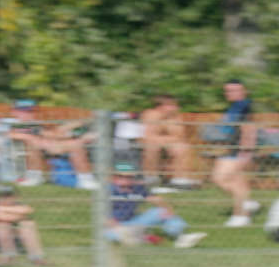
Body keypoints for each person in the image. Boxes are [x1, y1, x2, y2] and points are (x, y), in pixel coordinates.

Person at [105, 163, 205, 247]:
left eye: (129, 176)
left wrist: (168, 210)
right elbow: (103, 213)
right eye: (121, 176)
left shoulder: (137, 188)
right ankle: (141, 238)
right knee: (108, 235)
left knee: (161, 212)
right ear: (114, 177)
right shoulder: (108, 190)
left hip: (135, 222)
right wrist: (115, 225)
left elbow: (155, 199)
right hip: (116, 225)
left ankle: (181, 237)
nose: (125, 179)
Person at [208, 80, 261, 227]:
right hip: (229, 148)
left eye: (234, 90)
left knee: (235, 181)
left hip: (240, 150)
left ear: (243, 91)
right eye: (228, 90)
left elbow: (248, 128)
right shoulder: (233, 106)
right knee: (218, 179)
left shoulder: (243, 106)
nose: (229, 93)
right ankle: (248, 203)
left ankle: (242, 216)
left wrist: (245, 151)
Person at [9, 101, 96, 189]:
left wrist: (72, 127)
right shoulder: (10, 123)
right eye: (24, 111)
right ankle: (34, 176)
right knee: (33, 142)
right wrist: (37, 139)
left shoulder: (35, 124)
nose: (28, 114)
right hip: (35, 149)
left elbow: (53, 134)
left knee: (76, 144)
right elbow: (9, 135)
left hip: (47, 148)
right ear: (14, 112)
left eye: (31, 111)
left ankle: (86, 179)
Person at [138, 93, 197, 187]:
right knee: (151, 147)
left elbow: (180, 136)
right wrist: (168, 137)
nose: (176, 108)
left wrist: (168, 127)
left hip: (168, 143)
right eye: (172, 105)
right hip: (149, 143)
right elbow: (148, 136)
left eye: (175, 105)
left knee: (182, 147)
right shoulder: (150, 114)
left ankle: (180, 179)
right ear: (161, 106)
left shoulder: (175, 117)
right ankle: (150, 177)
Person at [0, 188, 47, 265]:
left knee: (27, 225)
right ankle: (10, 257)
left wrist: (2, 209)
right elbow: (0, 217)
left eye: (9, 196)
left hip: (14, 234)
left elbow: (28, 210)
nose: (5, 199)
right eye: (2, 197)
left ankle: (36, 258)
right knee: (2, 226)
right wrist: (17, 213)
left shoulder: (16, 204)